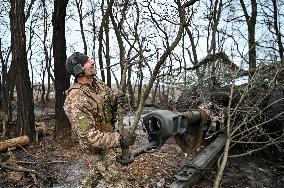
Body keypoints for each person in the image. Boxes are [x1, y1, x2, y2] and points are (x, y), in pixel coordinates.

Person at [63, 52, 136, 188]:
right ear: (78, 69)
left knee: (96, 174)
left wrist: (121, 102)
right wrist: (118, 139)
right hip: (95, 149)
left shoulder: (99, 85)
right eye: (86, 61)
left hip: (107, 140)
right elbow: (88, 136)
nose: (91, 61)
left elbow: (114, 105)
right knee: (118, 182)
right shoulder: (75, 99)